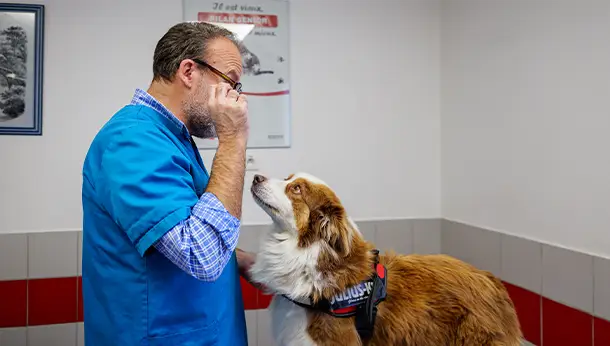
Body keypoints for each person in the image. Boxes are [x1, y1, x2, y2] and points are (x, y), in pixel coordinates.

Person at [81, 22, 259, 345]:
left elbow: (185, 228)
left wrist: (238, 259)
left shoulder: (171, 138)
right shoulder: (132, 141)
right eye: (230, 83)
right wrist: (233, 140)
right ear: (189, 71)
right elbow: (200, 255)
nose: (236, 98)